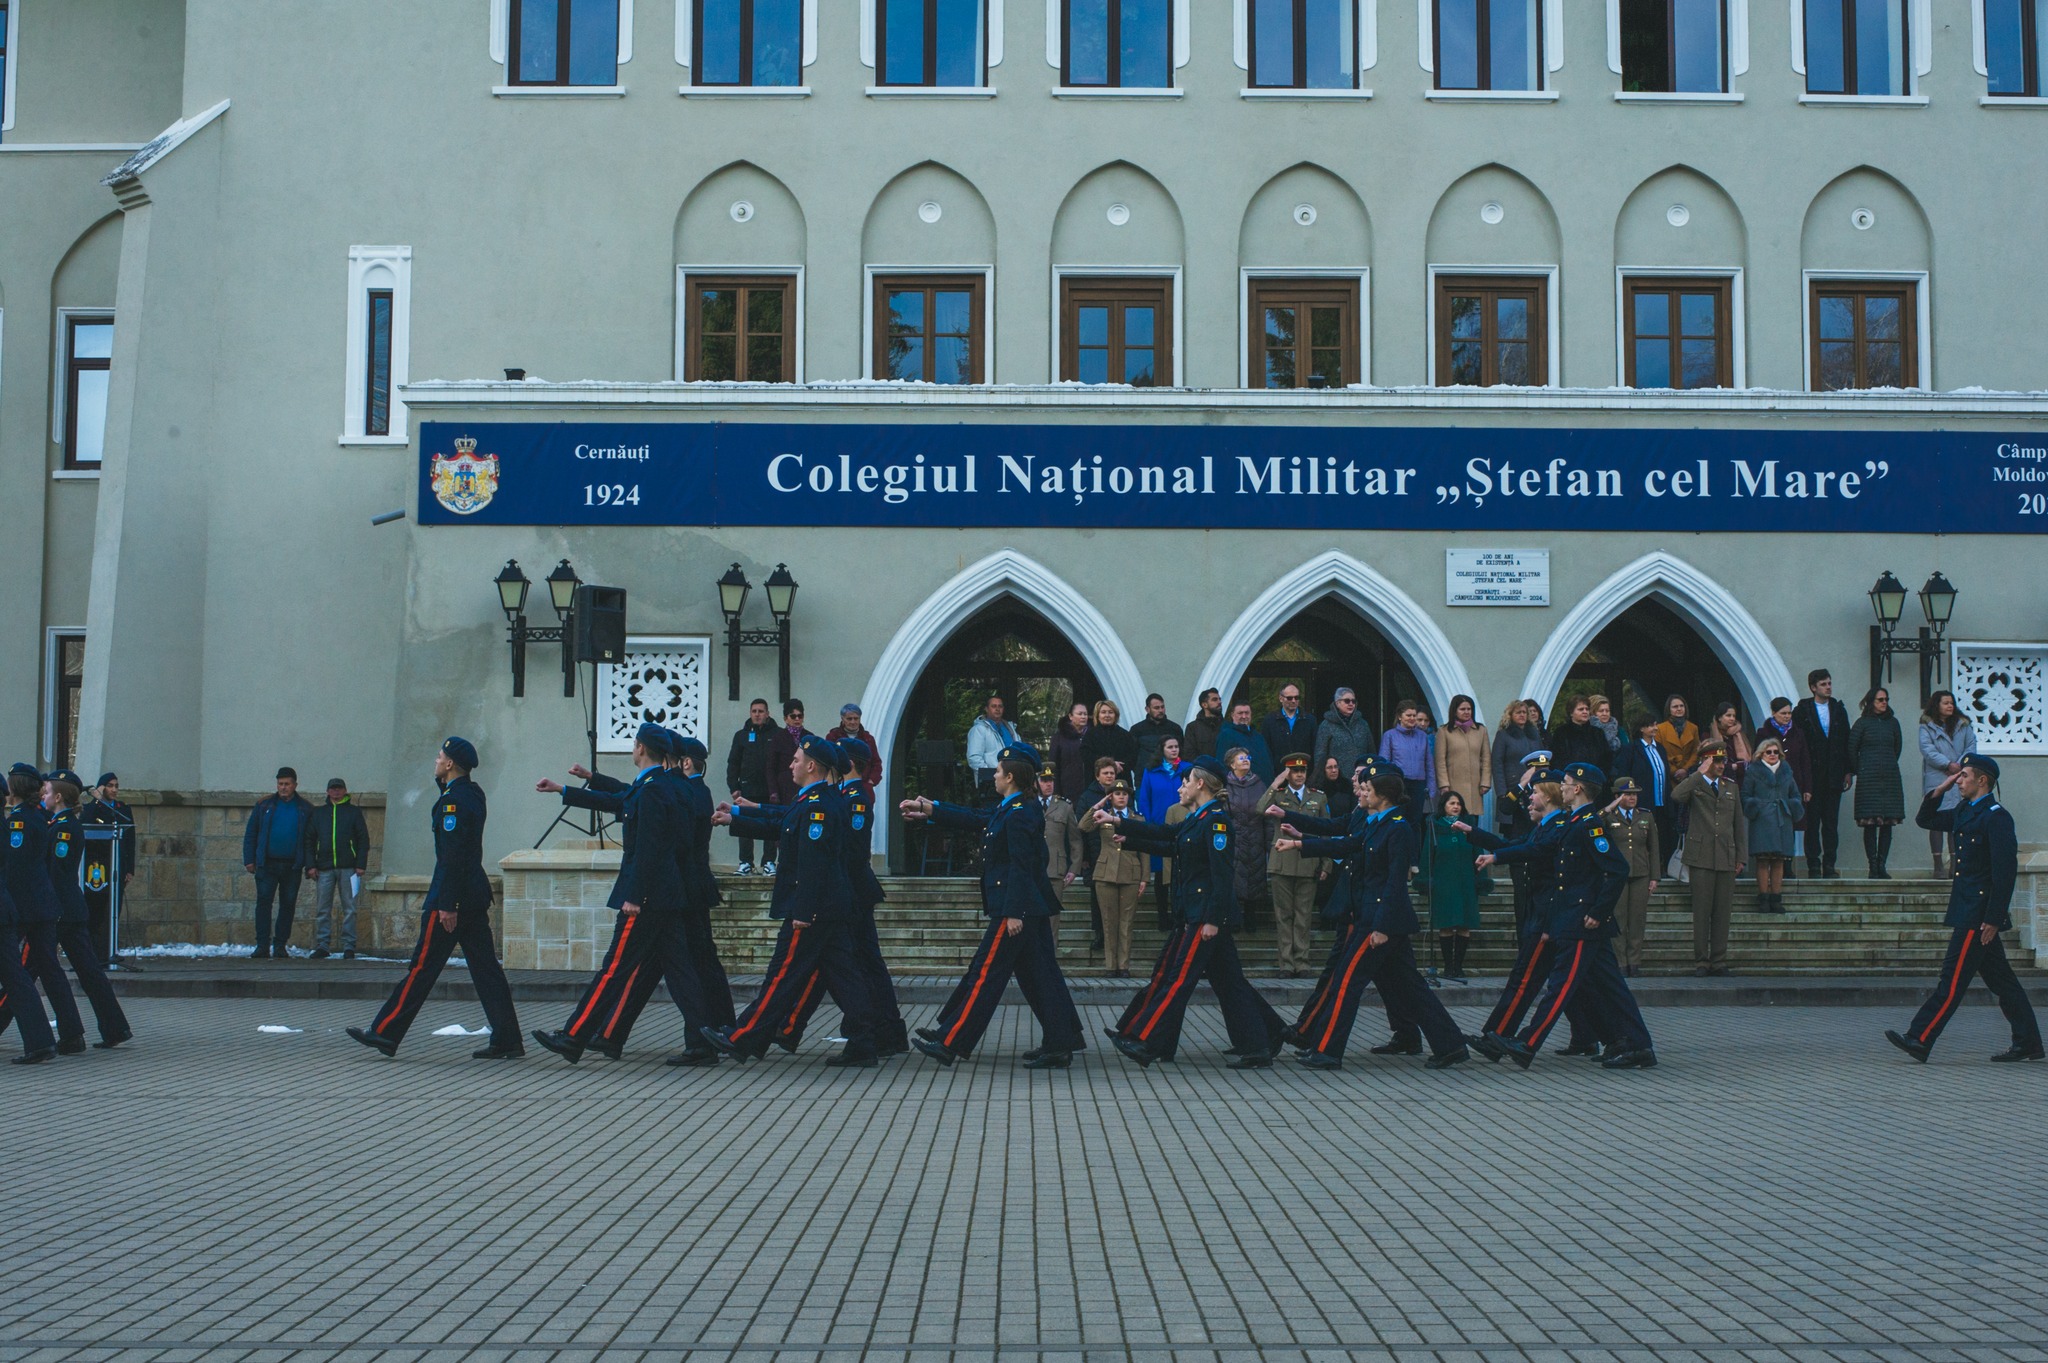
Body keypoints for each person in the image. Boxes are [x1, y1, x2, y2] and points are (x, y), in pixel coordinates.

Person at [1094, 756, 1288, 1070]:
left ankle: (1147, 1041)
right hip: (1194, 912)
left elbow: (1222, 875)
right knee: (1230, 983)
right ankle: (1264, 1038)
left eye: (1186, 782)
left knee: (1179, 979)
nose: (1181, 787)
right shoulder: (1199, 817)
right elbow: (1171, 839)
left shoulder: (1216, 820)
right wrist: (1122, 828)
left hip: (1204, 915)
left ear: (1200, 784)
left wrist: (1213, 919)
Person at [531, 723, 709, 1065]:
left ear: (641, 748)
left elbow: (650, 849)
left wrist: (635, 895)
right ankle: (702, 1042)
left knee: (614, 969)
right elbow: (618, 799)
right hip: (665, 896)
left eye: (634, 744)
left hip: (648, 898)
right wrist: (564, 790)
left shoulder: (656, 790)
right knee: (681, 971)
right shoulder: (657, 786)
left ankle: (574, 1036)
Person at [1271, 769, 1469, 1071]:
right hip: (1376, 917)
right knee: (1411, 989)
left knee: (1346, 982)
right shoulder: (1377, 824)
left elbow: (1394, 882)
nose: (1362, 793)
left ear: (1383, 795)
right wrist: (1300, 845)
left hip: (1378, 920)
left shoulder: (1398, 828)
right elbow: (1346, 844)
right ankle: (1451, 1045)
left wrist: (1381, 926)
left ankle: (1327, 1050)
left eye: (1367, 789)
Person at [902, 741, 1083, 1068]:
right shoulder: (1012, 807)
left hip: (1016, 907)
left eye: (998, 771)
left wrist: (1014, 911)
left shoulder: (1020, 812)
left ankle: (951, 1039)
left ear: (1011, 776)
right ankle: (1061, 1040)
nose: (994, 776)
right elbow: (976, 817)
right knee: (1041, 977)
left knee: (986, 973)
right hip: (1028, 905)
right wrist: (931, 808)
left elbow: (1022, 864)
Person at [705, 735, 877, 1067]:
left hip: (813, 908)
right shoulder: (814, 800)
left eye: (797, 760)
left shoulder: (818, 806)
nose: (791, 764)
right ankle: (864, 1041)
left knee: (782, 976)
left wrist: (803, 910)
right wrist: (737, 818)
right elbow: (781, 824)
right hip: (828, 907)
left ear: (811, 766)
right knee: (845, 977)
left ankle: (744, 1038)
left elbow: (815, 865)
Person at [348, 738, 523, 1060]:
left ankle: (385, 1032)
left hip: (452, 898)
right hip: (473, 895)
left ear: (450, 764)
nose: (436, 760)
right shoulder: (470, 793)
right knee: (487, 971)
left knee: (422, 969)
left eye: (440, 757)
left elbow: (453, 855)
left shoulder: (453, 802)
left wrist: (448, 904)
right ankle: (508, 1037)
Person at [1477, 761, 1657, 1071]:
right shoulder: (1576, 821)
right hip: (1573, 917)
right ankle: (1636, 1044)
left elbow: (1616, 870)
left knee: (1560, 986)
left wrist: (1598, 913)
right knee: (1611, 987)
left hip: (1584, 920)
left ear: (1578, 789)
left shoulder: (1589, 824)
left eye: (1567, 782)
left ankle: (1527, 1042)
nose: (1562, 786)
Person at [1884, 756, 2041, 1064]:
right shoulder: (1964, 811)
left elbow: (2004, 872)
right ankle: (2029, 1043)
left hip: (1978, 915)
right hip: (1967, 908)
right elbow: (1925, 820)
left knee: (1952, 979)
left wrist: (1994, 918)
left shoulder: (1996, 817)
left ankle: (1920, 1037)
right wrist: (1940, 788)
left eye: (1964, 776)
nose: (1958, 780)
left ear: (1982, 781)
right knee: (2003, 982)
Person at [765, 735, 908, 1059]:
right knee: (836, 966)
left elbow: (850, 854)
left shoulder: (855, 798)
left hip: (851, 895)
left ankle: (884, 1031)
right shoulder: (839, 795)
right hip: (840, 895)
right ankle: (797, 1028)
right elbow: (789, 821)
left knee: (861, 966)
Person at [39, 770, 133, 1048]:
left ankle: (75, 1033)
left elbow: (57, 874)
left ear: (58, 797)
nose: (42, 796)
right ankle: (113, 1028)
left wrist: (48, 906)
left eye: (45, 792)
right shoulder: (57, 823)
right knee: (89, 972)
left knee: (49, 968)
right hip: (67, 909)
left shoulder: (64, 828)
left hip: (62, 910)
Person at [2, 764, 86, 1054]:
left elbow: (17, 870)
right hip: (41, 906)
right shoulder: (39, 816)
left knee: (17, 972)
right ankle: (71, 1032)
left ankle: (41, 1039)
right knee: (49, 971)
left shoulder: (21, 821)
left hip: (29, 909)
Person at [1672, 742, 1747, 976]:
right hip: (1701, 856)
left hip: (1726, 854)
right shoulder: (1695, 786)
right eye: (1716, 761)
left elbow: (1738, 824)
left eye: (1723, 761)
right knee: (1702, 912)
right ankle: (1701, 962)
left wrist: (1741, 856)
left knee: (1722, 913)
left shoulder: (1730, 787)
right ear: (1706, 761)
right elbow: (1676, 795)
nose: (1721, 765)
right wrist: (1698, 774)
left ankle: (1719, 961)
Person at [1265, 754, 1327, 977]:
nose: (1299, 774)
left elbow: (1325, 831)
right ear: (1287, 773)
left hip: (1307, 862)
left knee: (1303, 916)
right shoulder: (1278, 796)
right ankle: (1286, 964)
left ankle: (1302, 962)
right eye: (1294, 771)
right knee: (1284, 916)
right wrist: (1275, 783)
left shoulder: (1318, 798)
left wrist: (1326, 864)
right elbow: (1258, 808)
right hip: (1282, 862)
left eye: (1302, 771)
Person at [241, 767, 313, 959]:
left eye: (287, 784)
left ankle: (280, 945)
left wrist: (309, 864)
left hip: (292, 865)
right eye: (280, 784)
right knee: (263, 903)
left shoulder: (305, 808)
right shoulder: (264, 805)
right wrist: (249, 859)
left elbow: (310, 839)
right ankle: (262, 945)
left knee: (288, 905)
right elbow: (251, 833)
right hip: (267, 864)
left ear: (295, 785)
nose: (283, 787)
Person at [1792, 669, 1853, 879]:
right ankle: (1813, 864)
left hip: (1834, 773)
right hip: (1812, 774)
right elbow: (1798, 744)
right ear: (1813, 687)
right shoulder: (1802, 711)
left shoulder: (1837, 709)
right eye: (1824, 684)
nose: (1828, 687)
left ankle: (1829, 863)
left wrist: (1847, 770)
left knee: (1831, 822)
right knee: (1811, 821)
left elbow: (1846, 740)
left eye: (1829, 683)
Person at [1419, 789, 1484, 983]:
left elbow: (1478, 853)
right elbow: (1427, 856)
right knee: (1446, 925)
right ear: (1444, 807)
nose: (1455, 806)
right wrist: (1425, 879)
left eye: (1458, 804)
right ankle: (1447, 967)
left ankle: (1458, 967)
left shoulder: (1469, 827)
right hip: (1444, 883)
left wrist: (1481, 878)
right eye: (1451, 803)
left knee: (1464, 925)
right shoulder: (1435, 827)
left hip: (1465, 882)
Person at [305, 777, 370, 960]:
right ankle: (323, 945)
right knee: (323, 908)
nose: (336, 792)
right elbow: (309, 840)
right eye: (332, 789)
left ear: (344, 791)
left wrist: (360, 864)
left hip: (349, 868)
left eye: (339, 789)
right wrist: (310, 865)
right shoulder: (318, 813)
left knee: (350, 908)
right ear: (327, 792)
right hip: (324, 868)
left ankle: (349, 946)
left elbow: (363, 839)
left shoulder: (353, 812)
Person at [1602, 776, 1660, 976]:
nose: (1633, 798)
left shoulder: (1645, 816)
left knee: (1637, 919)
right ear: (1617, 796)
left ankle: (1634, 962)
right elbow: (1593, 823)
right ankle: (1620, 962)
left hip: (1641, 873)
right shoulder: (1609, 816)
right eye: (1627, 794)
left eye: (1634, 794)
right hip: (1617, 875)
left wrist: (1655, 877)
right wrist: (1611, 806)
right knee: (1618, 918)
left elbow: (1653, 848)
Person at [1089, 781, 1148, 975]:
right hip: (1106, 874)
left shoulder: (1137, 819)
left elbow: (1144, 850)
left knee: (1126, 922)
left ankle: (1123, 966)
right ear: (1110, 797)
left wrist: (1144, 878)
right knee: (1109, 921)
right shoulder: (1103, 815)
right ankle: (1110, 966)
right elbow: (1083, 826)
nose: (1121, 796)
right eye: (1117, 793)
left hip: (1131, 873)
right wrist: (1098, 806)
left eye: (1124, 793)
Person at [1849, 687, 1907, 879]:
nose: (1884, 702)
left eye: (1886, 699)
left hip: (1889, 778)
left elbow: (1897, 747)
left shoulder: (1893, 723)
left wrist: (1887, 763)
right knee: (1870, 823)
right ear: (1871, 701)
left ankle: (1882, 864)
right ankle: (1872, 865)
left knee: (1887, 823)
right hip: (1869, 779)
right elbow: (1852, 749)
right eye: (1880, 699)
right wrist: (1861, 768)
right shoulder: (1862, 724)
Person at [1918, 690, 1976, 878]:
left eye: (1951, 703)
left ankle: (1954, 864)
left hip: (1960, 774)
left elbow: (1971, 746)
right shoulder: (1927, 725)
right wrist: (1946, 764)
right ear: (1937, 705)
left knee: (1955, 819)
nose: (1950, 706)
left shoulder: (1963, 724)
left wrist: (1960, 765)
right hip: (1937, 775)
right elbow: (1927, 749)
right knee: (1936, 820)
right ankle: (1938, 865)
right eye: (1945, 703)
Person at [1741, 737, 1802, 914]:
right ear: (1761, 754)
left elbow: (1795, 794)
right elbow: (1745, 795)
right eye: (1769, 752)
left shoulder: (1786, 771)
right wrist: (1757, 806)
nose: (1773, 755)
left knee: (1778, 860)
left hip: (1782, 819)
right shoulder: (1753, 771)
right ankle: (1763, 898)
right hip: (1762, 820)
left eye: (1776, 752)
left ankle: (1776, 898)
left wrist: (1791, 807)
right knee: (1763, 860)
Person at [79, 771, 135, 962]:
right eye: (110, 786)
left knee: (114, 908)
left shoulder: (123, 809)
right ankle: (93, 951)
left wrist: (130, 869)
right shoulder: (92, 807)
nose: (114, 790)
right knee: (95, 909)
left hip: (116, 866)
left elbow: (130, 840)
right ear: (101, 787)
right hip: (96, 867)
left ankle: (110, 948)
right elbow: (85, 823)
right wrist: (97, 800)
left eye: (116, 786)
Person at [1614, 715, 1677, 874]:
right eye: (1650, 725)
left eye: (1655, 724)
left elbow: (1664, 775)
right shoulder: (1631, 749)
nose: (1655, 728)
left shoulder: (1660, 748)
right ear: (1641, 729)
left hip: (1662, 803)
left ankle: (1663, 870)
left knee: (1663, 838)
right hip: (1643, 802)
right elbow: (1623, 774)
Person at [1137, 736, 1188, 929]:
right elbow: (1144, 800)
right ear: (1162, 749)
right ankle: (1162, 916)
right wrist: (1149, 827)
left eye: (1176, 747)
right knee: (1161, 873)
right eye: (1170, 747)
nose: (1174, 750)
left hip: (1184, 825)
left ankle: (1180, 915)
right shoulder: (1151, 771)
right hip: (1160, 828)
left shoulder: (1187, 769)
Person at [725, 698, 780, 874]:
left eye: (761, 711)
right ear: (750, 713)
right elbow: (733, 763)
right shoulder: (741, 736)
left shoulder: (777, 734)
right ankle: (746, 862)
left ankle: (769, 862)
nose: (757, 715)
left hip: (770, 791)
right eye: (754, 711)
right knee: (744, 825)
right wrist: (734, 786)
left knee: (770, 826)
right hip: (747, 789)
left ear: (768, 714)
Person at [1312, 687, 1375, 815]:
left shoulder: (1362, 724)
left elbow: (1371, 752)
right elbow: (1320, 755)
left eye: (1353, 701)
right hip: (1336, 786)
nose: (1351, 704)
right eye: (1347, 701)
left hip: (1360, 782)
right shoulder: (1326, 725)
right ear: (1337, 703)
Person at [1433, 695, 1491, 828]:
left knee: (1472, 822)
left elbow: (1486, 758)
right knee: (1455, 821)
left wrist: (1485, 782)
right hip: (1454, 784)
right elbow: (1440, 761)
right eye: (1462, 709)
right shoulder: (1445, 731)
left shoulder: (1481, 730)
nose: (1466, 712)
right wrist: (1444, 785)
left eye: (1469, 709)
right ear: (1454, 711)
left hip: (1475, 786)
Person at [1376, 700, 1436, 819]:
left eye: (1414, 715)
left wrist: (1431, 787)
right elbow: (1384, 763)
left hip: (1418, 784)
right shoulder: (1390, 735)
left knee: (1415, 820)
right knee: (1398, 819)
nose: (1412, 718)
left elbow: (1429, 764)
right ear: (1399, 716)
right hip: (1399, 784)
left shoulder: (1422, 736)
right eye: (1408, 715)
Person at [1490, 700, 1547, 818]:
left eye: (1524, 712)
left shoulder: (1534, 734)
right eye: (1518, 712)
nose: (1522, 715)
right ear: (1510, 715)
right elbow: (1497, 764)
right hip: (1512, 786)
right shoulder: (1503, 735)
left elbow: (1542, 758)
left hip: (1534, 786)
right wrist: (1502, 792)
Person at [965, 694, 1018, 804]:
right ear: (987, 709)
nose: (997, 709)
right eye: (994, 706)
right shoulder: (979, 730)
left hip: (1012, 783)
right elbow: (974, 759)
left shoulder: (1010, 729)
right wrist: (992, 775)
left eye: (1000, 706)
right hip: (990, 785)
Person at [1036, 768, 1084, 884]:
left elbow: (1075, 840)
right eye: (1044, 780)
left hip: (1056, 868)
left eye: (1051, 781)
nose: (1049, 784)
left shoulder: (1065, 806)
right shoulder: (1028, 804)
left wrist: (1074, 869)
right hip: (1033, 868)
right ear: (1035, 783)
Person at [767, 698, 813, 815]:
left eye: (800, 716)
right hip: (785, 788)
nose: (797, 719)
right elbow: (770, 767)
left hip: (804, 786)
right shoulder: (777, 738)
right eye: (793, 716)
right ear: (785, 719)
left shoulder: (809, 737)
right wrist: (773, 792)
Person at [1212, 701, 1273, 783]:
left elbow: (1268, 761)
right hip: (1242, 790)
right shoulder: (1226, 735)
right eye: (1240, 713)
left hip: (1265, 787)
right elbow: (1222, 765)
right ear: (1232, 715)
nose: (1244, 716)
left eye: (1247, 713)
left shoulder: (1258, 736)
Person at [825, 703, 883, 788]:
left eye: (856, 719)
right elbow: (827, 760)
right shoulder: (833, 737)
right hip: (839, 786)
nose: (853, 722)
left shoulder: (868, 739)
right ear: (842, 719)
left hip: (863, 786)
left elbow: (876, 763)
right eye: (849, 719)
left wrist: (871, 781)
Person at [1260, 684, 1318, 769]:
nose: (1294, 701)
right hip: (1278, 773)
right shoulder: (1269, 721)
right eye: (1289, 698)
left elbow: (1315, 748)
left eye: (1296, 697)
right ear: (1281, 698)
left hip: (1303, 771)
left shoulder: (1310, 720)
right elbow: (1265, 750)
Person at [1128, 692, 1184, 776]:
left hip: (1170, 775)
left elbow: (1182, 752)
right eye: (1156, 708)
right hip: (1144, 776)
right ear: (1147, 709)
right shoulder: (1137, 729)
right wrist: (1139, 770)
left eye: (1162, 707)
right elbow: (1131, 755)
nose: (1161, 710)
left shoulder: (1174, 728)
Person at [1550, 696, 1610, 770]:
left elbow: (1606, 758)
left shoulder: (1598, 733)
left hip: (1594, 777)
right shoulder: (1561, 733)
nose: (1585, 712)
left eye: (1587, 709)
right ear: (1571, 712)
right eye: (1581, 709)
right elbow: (1557, 759)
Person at [1050, 701, 1091, 803]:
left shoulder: (1092, 736)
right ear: (1071, 716)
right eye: (1079, 714)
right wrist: (1056, 792)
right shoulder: (1059, 737)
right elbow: (1054, 765)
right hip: (1067, 789)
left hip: (1089, 789)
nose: (1083, 717)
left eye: (1085, 714)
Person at [1709, 702, 1753, 783]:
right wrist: (1731, 767)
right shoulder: (1711, 735)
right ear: (1719, 718)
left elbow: (1748, 760)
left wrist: (1737, 766)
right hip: (1720, 779)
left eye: (1734, 716)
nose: (1732, 719)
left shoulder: (1739, 734)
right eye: (1728, 715)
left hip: (1741, 779)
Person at [1183, 687, 1225, 765]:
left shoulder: (1227, 726)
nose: (1219, 702)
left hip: (1225, 773)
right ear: (1204, 704)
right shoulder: (1193, 728)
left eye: (1219, 699)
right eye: (1214, 700)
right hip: (1202, 773)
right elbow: (1189, 754)